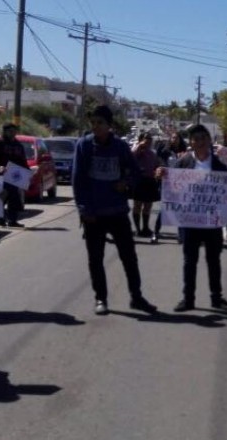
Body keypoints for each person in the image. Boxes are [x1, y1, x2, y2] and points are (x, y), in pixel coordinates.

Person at [72, 105, 157, 315]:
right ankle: (100, 299)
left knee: (129, 257)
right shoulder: (83, 146)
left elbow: (136, 173)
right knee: (95, 260)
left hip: (118, 213)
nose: (96, 126)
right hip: (93, 215)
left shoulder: (120, 147)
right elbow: (78, 181)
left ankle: (136, 297)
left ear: (109, 125)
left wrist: (126, 184)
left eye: (100, 123)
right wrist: (84, 209)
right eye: (93, 123)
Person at [157, 124, 227, 313]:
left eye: (203, 138)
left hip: (212, 222)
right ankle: (188, 299)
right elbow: (170, 184)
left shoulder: (219, 165)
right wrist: (161, 174)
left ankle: (216, 298)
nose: (200, 142)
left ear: (209, 140)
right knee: (189, 261)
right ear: (191, 142)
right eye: (196, 138)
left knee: (213, 261)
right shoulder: (183, 162)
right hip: (189, 221)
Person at [0, 123, 29, 227]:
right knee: (2, 197)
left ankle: (12, 220)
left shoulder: (18, 145)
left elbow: (23, 160)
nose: (13, 133)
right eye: (10, 131)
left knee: (14, 198)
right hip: (1, 175)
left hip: (14, 175)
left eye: (14, 131)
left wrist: (27, 173)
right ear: (5, 131)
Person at [151, 131, 187, 243]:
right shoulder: (165, 151)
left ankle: (181, 235)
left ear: (180, 140)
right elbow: (160, 164)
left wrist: (184, 158)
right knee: (165, 208)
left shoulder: (185, 152)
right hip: (167, 184)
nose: (175, 139)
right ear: (170, 139)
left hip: (181, 185)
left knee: (181, 209)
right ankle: (155, 233)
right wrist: (161, 170)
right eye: (173, 137)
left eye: (177, 138)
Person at [131, 132, 161, 240]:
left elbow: (157, 164)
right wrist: (140, 145)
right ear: (141, 139)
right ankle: (138, 229)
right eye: (146, 139)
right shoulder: (137, 149)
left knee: (148, 206)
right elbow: (131, 156)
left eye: (150, 139)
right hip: (139, 180)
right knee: (137, 205)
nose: (148, 141)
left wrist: (158, 171)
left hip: (150, 181)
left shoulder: (152, 152)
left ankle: (145, 228)